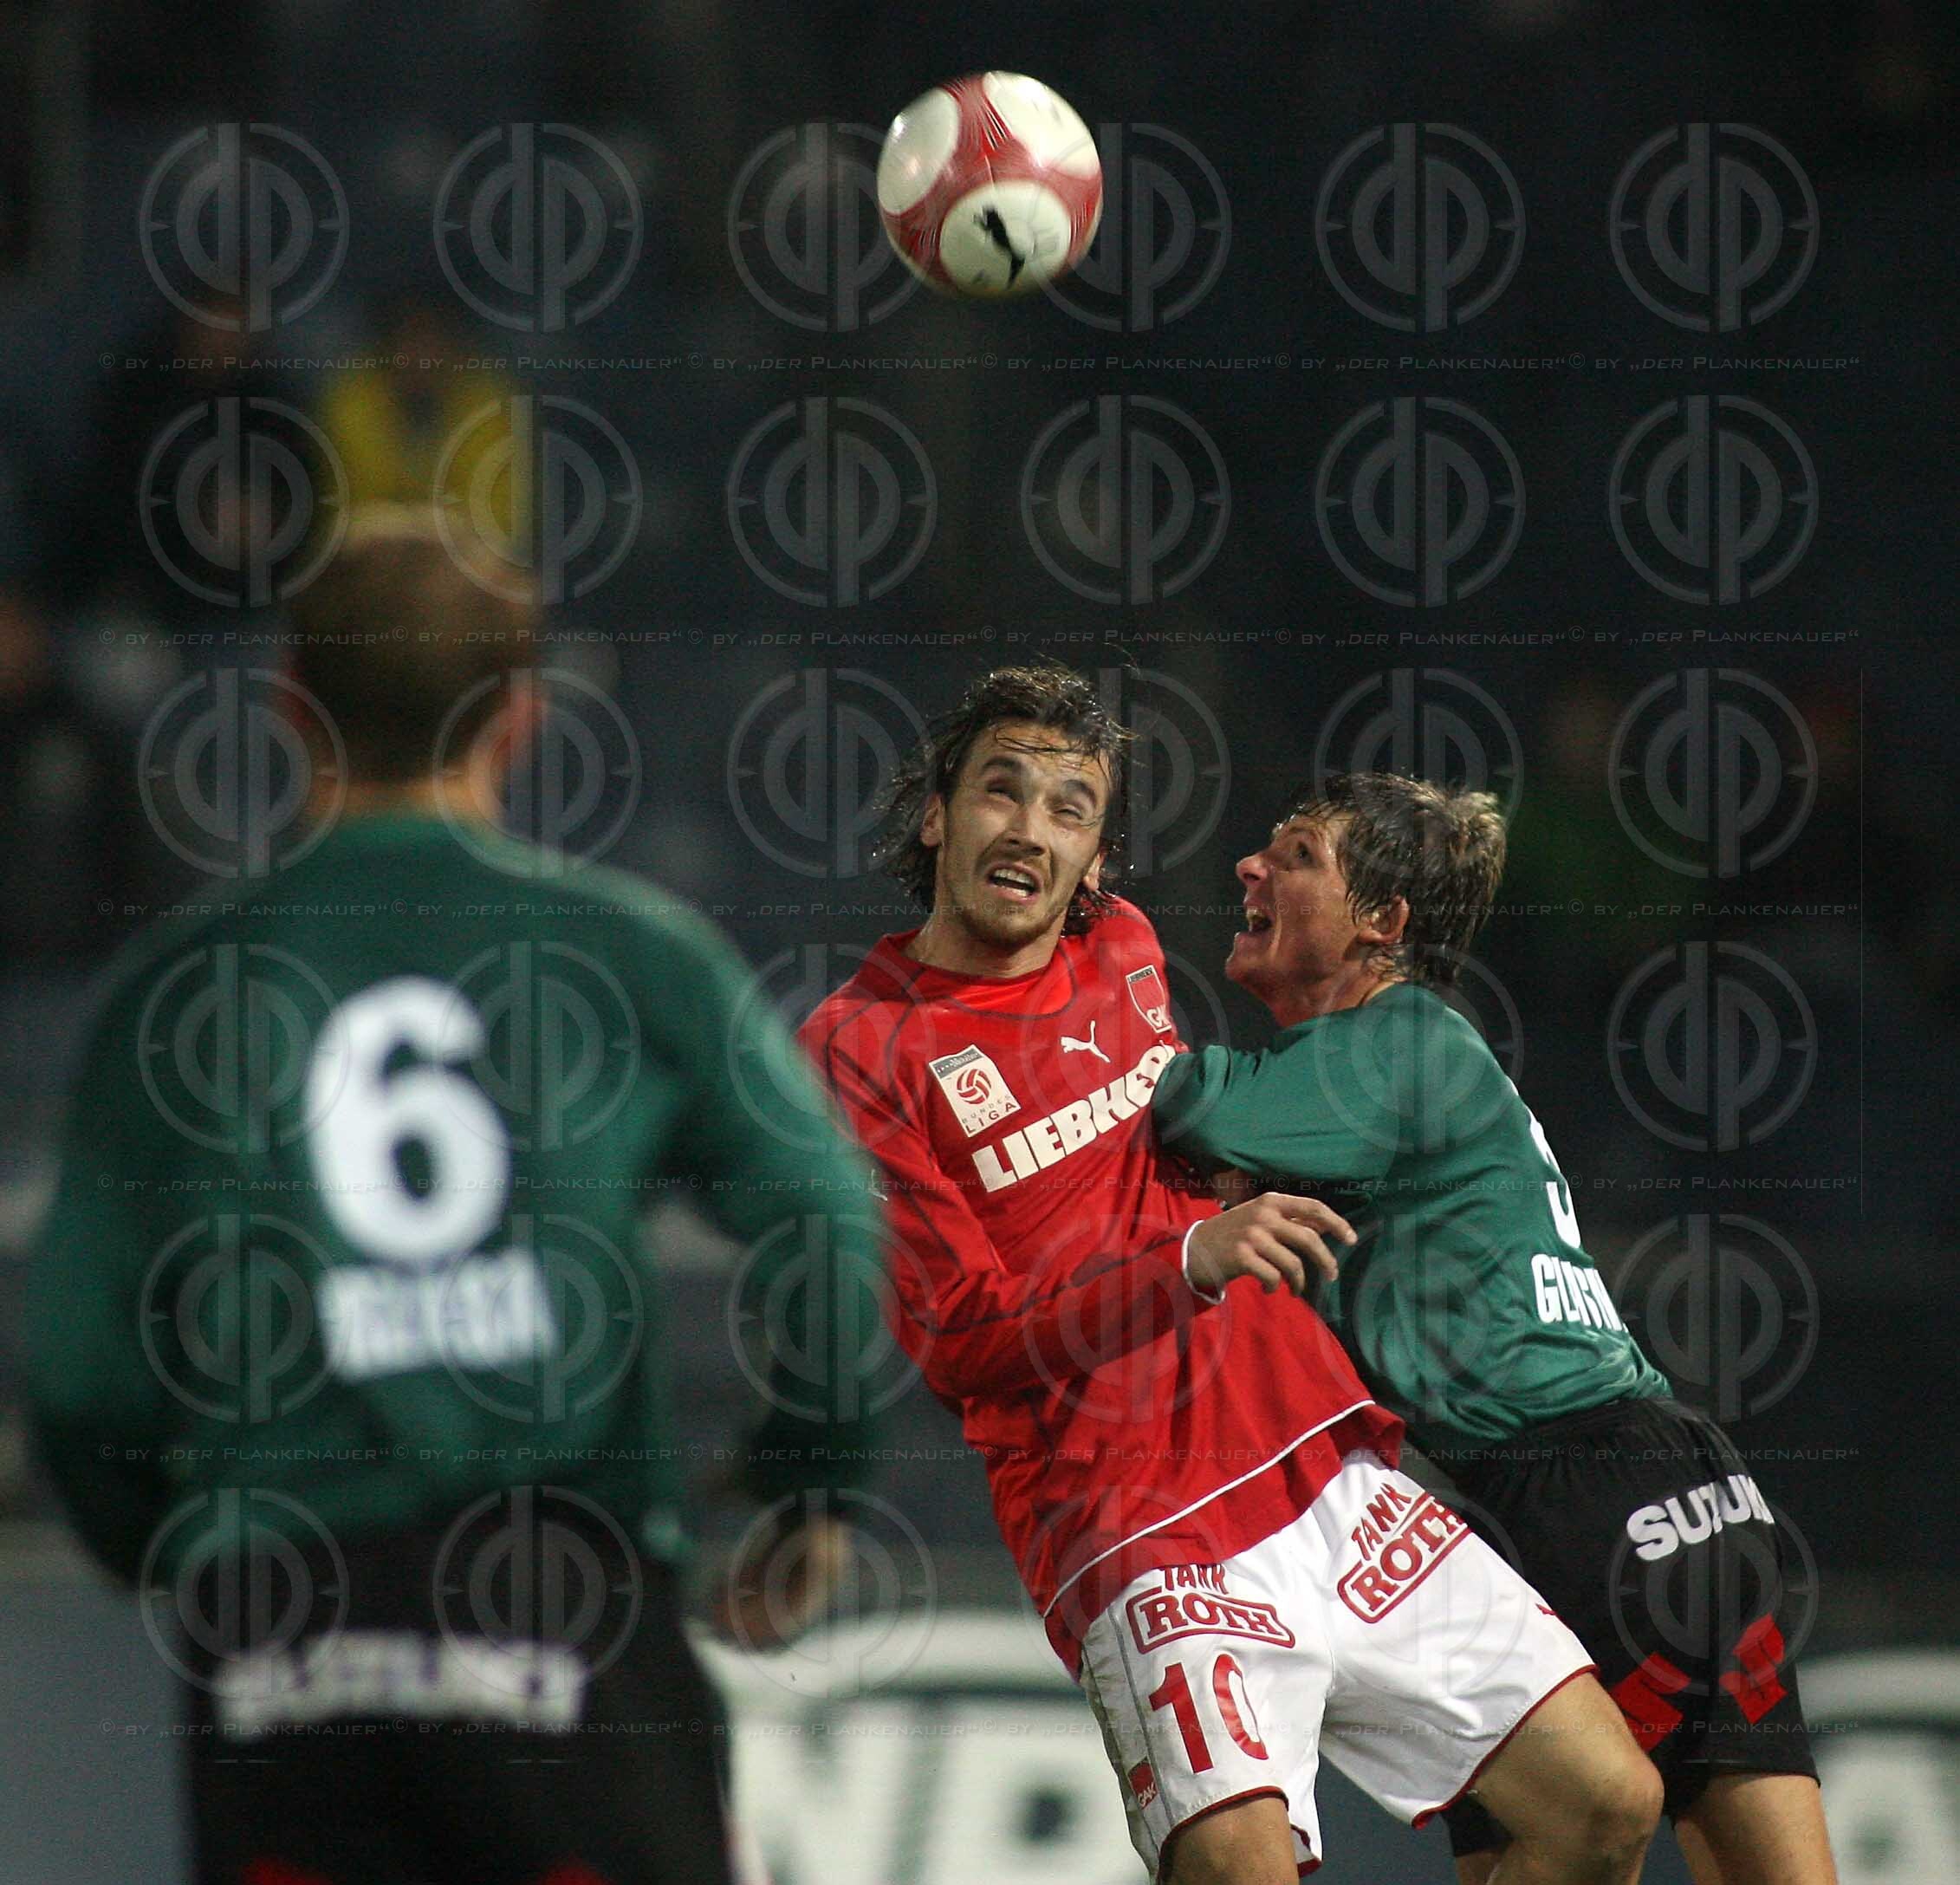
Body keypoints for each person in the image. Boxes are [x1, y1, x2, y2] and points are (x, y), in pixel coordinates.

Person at [23, 504, 884, 1885]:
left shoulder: (173, 992)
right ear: (524, 719)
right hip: (565, 1608)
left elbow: (75, 1371)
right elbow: (829, 1225)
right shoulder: (627, 952)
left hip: (283, 1638)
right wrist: (809, 1476)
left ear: (288, 703)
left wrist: (164, 1545)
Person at [801, 664, 1661, 1885]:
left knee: (1603, 1802)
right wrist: (1188, 1259)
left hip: (1323, 1461)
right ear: (938, 813)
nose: (1028, 829)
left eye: (1069, 806)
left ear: (1097, 859)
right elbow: (961, 1341)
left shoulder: (1128, 947)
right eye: (1001, 790)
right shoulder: (857, 1044)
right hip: (1134, 1519)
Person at [1150, 772, 1837, 1885]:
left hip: (1570, 1505)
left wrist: (1100, 993)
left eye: (1298, 855)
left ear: (1383, 925)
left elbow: (1181, 1107)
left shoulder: (1397, 1041)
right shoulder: (1401, 1060)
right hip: (1675, 1487)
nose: (1251, 867)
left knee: (1564, 1842)